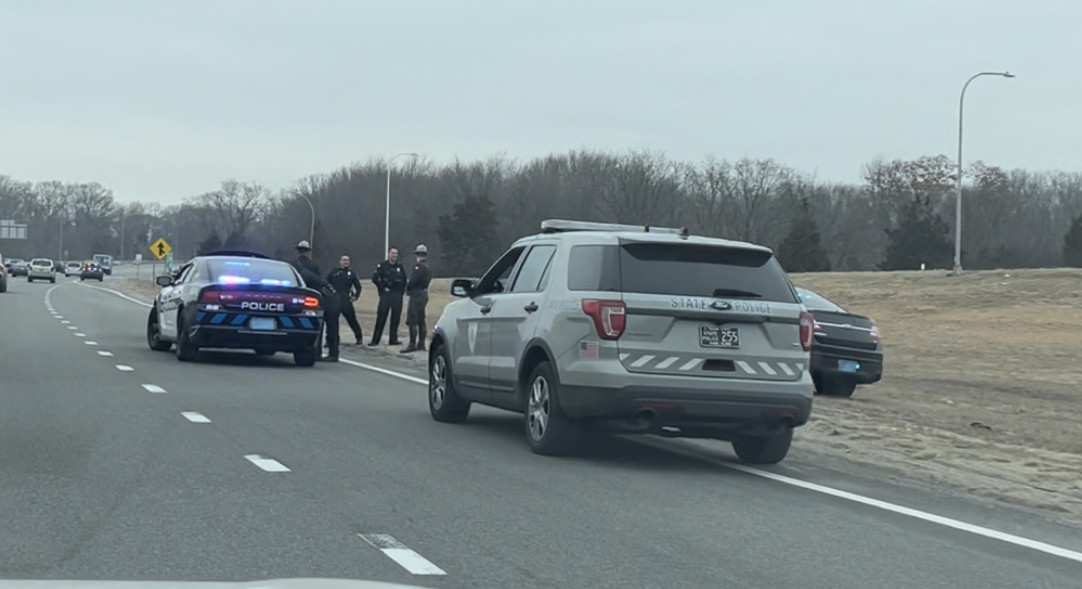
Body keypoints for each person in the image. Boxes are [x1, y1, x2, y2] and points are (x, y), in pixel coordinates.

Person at [292, 240, 339, 362]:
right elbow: (319, 281)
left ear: (298, 251)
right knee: (330, 326)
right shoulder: (314, 266)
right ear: (308, 252)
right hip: (316, 298)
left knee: (316, 326)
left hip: (298, 298)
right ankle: (332, 352)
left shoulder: (293, 265)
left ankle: (316, 352)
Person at [369, 246, 407, 346]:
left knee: (395, 319)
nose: (395, 255)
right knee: (381, 318)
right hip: (386, 295)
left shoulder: (400, 267)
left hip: (397, 295)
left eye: (396, 254)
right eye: (393, 253)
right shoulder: (382, 266)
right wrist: (382, 288)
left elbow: (404, 280)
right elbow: (375, 278)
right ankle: (375, 340)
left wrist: (401, 293)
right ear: (389, 254)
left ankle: (393, 339)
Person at [326, 254, 364, 346]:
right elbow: (326, 283)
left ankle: (359, 337)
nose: (345, 262)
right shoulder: (333, 272)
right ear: (340, 261)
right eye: (344, 260)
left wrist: (355, 296)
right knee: (332, 321)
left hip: (345, 299)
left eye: (347, 260)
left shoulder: (351, 273)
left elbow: (358, 286)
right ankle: (330, 340)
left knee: (352, 319)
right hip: (334, 299)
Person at [401, 244, 432, 353]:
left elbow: (413, 281)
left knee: (412, 320)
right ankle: (421, 343)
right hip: (423, 294)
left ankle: (412, 343)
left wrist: (407, 290)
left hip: (416, 294)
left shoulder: (418, 267)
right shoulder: (427, 267)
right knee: (421, 319)